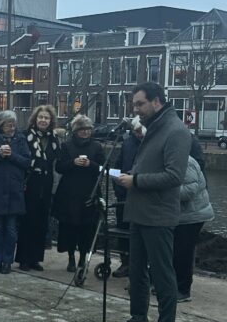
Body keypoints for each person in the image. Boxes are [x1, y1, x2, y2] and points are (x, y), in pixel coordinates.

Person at [115, 82, 190, 322]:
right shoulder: (154, 128)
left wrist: (135, 181)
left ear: (156, 101)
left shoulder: (176, 131)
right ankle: (138, 320)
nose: (135, 109)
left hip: (158, 215)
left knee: (162, 274)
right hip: (139, 212)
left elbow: (174, 176)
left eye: (140, 104)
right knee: (136, 271)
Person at [52, 114, 105, 274]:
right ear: (76, 131)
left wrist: (91, 165)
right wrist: (72, 163)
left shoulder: (96, 147)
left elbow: (104, 168)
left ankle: (83, 257)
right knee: (69, 226)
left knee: (87, 227)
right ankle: (70, 258)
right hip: (69, 192)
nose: (85, 133)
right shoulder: (66, 146)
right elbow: (59, 167)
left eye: (88, 129)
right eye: (82, 130)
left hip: (89, 191)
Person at [0, 110, 31, 274]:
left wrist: (11, 155)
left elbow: (26, 162)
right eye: (8, 124)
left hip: (14, 190)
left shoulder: (21, 139)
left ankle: (7, 261)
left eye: (13, 124)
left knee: (10, 229)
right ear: (1, 125)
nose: (11, 127)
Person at [15, 105, 60, 272]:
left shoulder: (54, 139)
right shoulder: (26, 136)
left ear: (50, 121)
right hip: (31, 181)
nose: (43, 120)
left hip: (46, 183)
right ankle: (23, 258)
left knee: (41, 221)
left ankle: (36, 258)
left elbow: (56, 160)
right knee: (28, 220)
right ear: (35, 119)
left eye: (46, 118)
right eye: (40, 117)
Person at [174, 156, 213, 303]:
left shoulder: (186, 161)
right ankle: (175, 285)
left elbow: (189, 191)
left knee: (183, 252)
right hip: (183, 215)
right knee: (176, 250)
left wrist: (164, 189)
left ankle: (183, 290)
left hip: (193, 215)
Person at [112, 117, 145, 278]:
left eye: (140, 131)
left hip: (142, 198)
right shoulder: (127, 143)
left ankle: (140, 266)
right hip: (123, 198)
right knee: (122, 230)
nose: (137, 134)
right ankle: (125, 262)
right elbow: (117, 167)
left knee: (139, 233)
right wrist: (118, 189)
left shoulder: (150, 145)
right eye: (135, 130)